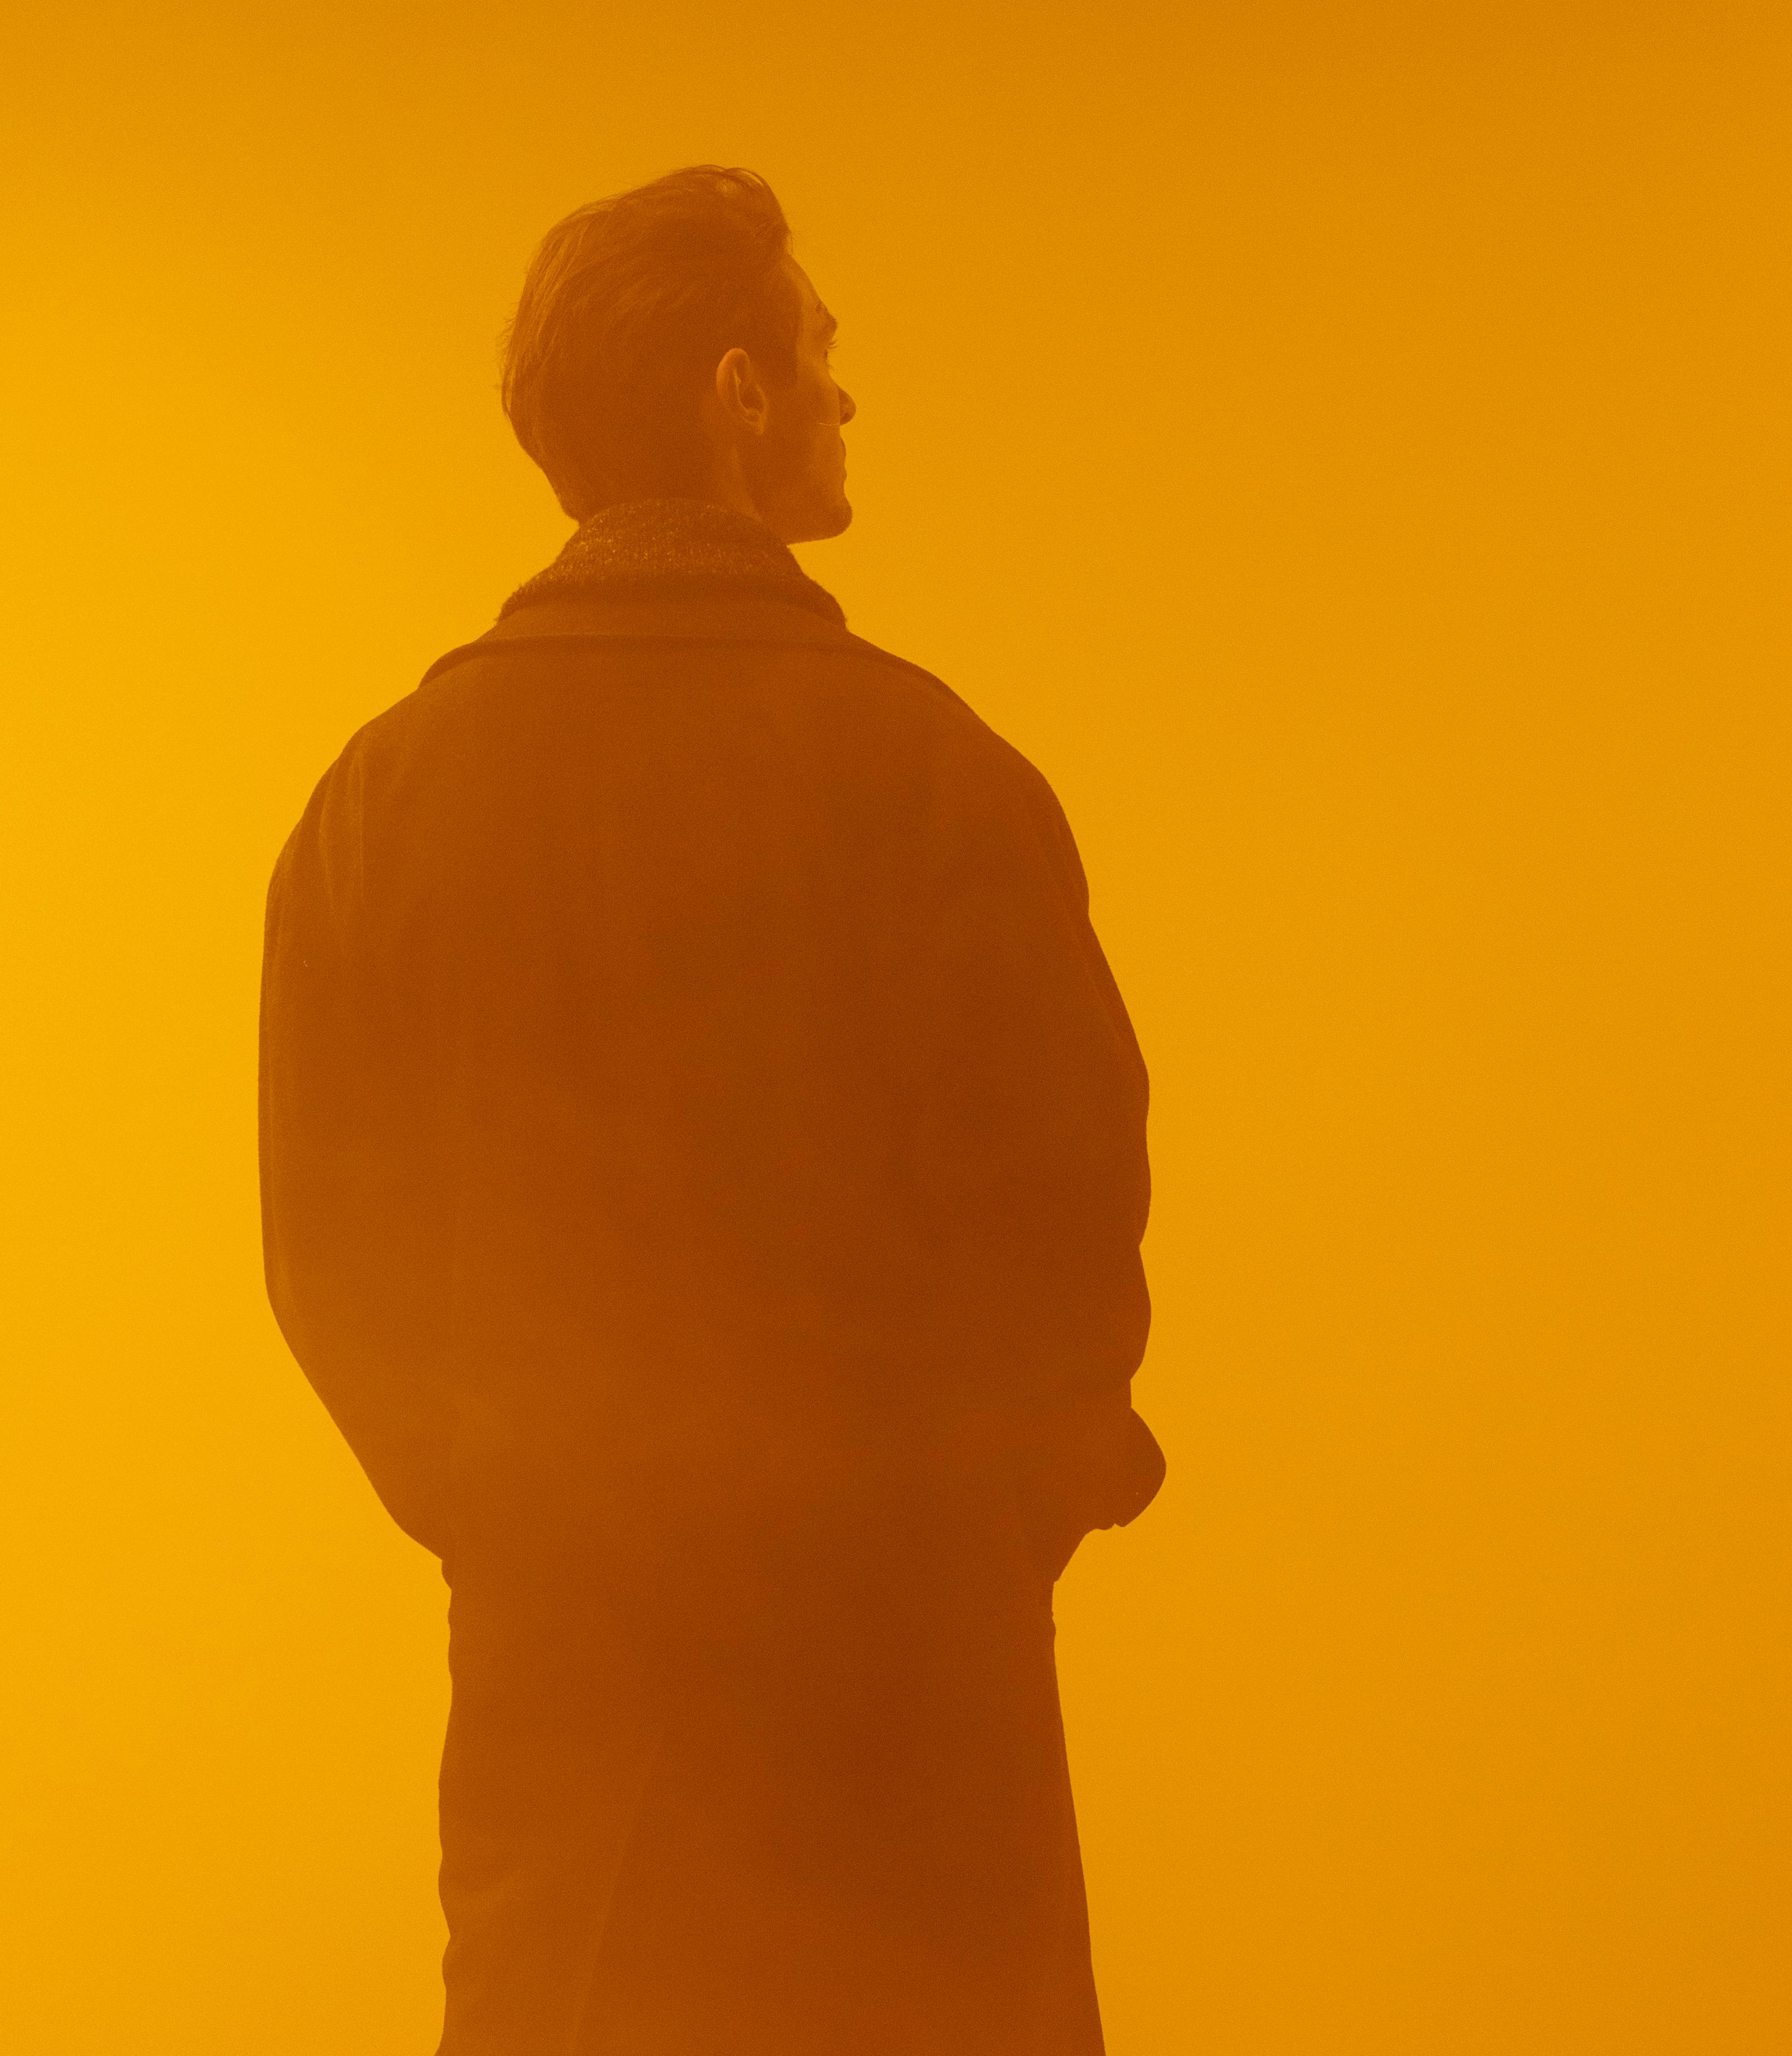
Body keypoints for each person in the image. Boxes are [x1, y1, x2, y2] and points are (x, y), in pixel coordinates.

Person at [259, 164, 1165, 2056]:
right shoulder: (935, 774)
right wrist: (979, 1523)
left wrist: (517, 1527)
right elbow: (1072, 1220)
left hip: (568, 1725)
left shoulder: (383, 805)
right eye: (822, 350)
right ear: (738, 393)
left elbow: (335, 1259)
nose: (850, 394)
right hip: (914, 1727)